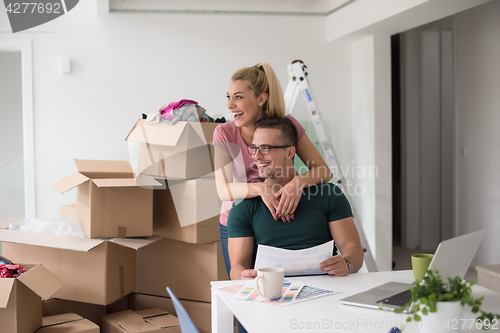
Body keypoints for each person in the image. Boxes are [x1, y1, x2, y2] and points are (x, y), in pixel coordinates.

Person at [212, 62, 332, 279]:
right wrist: (260, 189)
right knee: (245, 285)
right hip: (239, 221)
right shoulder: (224, 132)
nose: (230, 105)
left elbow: (323, 171)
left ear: (261, 99)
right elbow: (223, 190)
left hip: (281, 215)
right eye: (228, 97)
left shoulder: (288, 126)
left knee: (286, 287)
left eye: (238, 97)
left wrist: (298, 183)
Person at [227, 117, 364, 281]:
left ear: (290, 152)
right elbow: (237, 267)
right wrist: (242, 277)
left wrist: (347, 264)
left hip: (327, 292)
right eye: (254, 148)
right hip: (272, 295)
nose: (256, 156)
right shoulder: (244, 206)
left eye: (265, 148)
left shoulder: (328, 195)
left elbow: (354, 251)